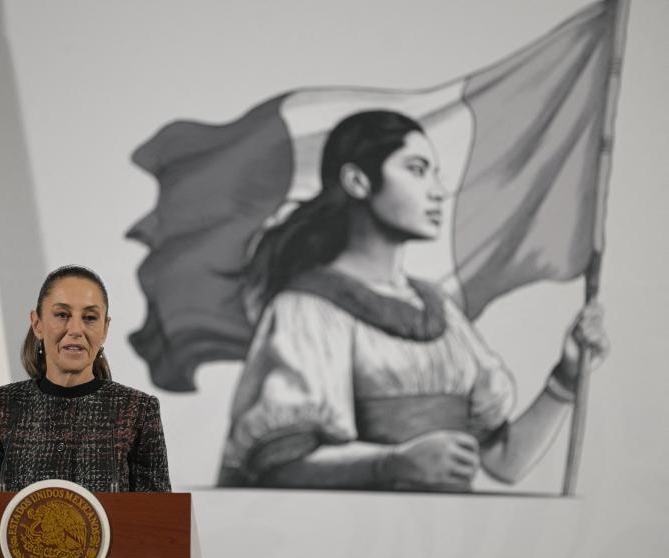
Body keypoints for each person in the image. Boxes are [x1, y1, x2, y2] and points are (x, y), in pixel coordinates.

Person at [217, 110, 609, 491]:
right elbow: (279, 465)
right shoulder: (306, 309)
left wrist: (567, 376)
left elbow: (504, 463)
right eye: (417, 170)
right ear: (357, 181)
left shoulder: (440, 311)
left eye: (435, 173)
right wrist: (392, 464)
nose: (438, 190)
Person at [0, 265, 171, 493]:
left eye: (90, 317)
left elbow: (156, 519)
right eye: (62, 315)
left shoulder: (138, 411)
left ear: (105, 329)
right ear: (37, 323)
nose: (76, 329)